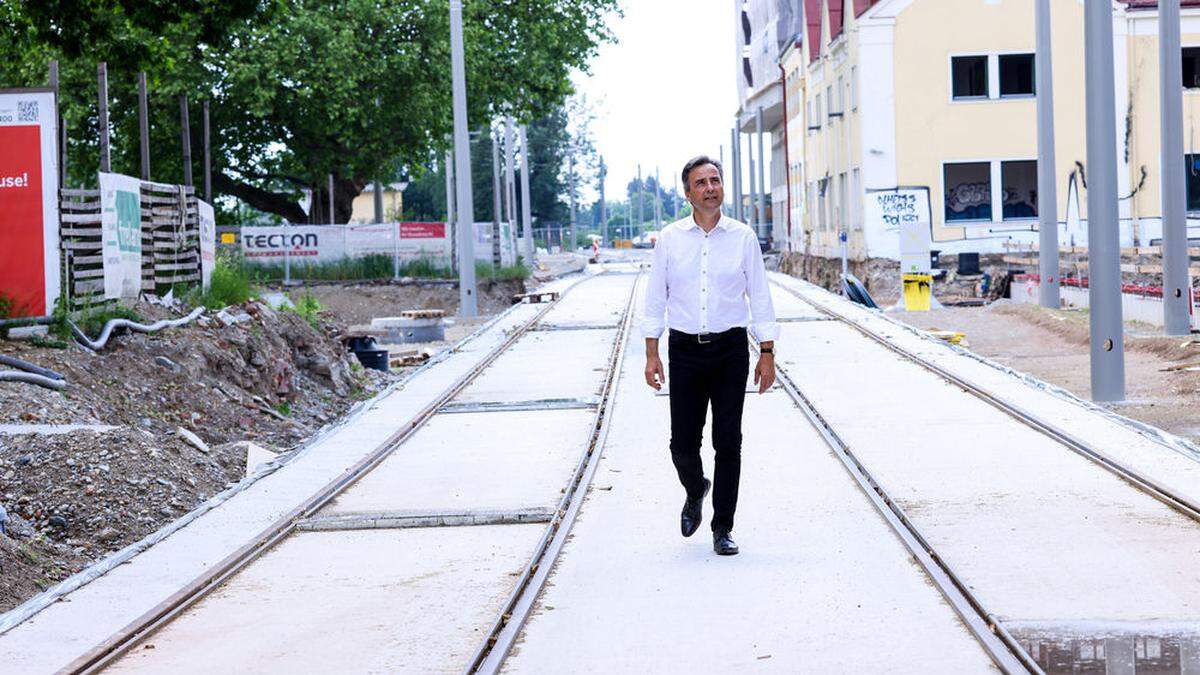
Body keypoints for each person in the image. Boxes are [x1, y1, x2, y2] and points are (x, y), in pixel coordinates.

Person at [642, 155, 778, 556]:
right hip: (684, 350)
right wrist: (652, 353)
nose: (710, 188)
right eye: (700, 183)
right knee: (682, 444)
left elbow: (761, 296)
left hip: (731, 349)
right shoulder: (669, 239)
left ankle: (722, 528)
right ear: (688, 193)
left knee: (728, 441)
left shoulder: (743, 237)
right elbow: (655, 300)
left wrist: (766, 351)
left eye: (715, 180)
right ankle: (695, 487)